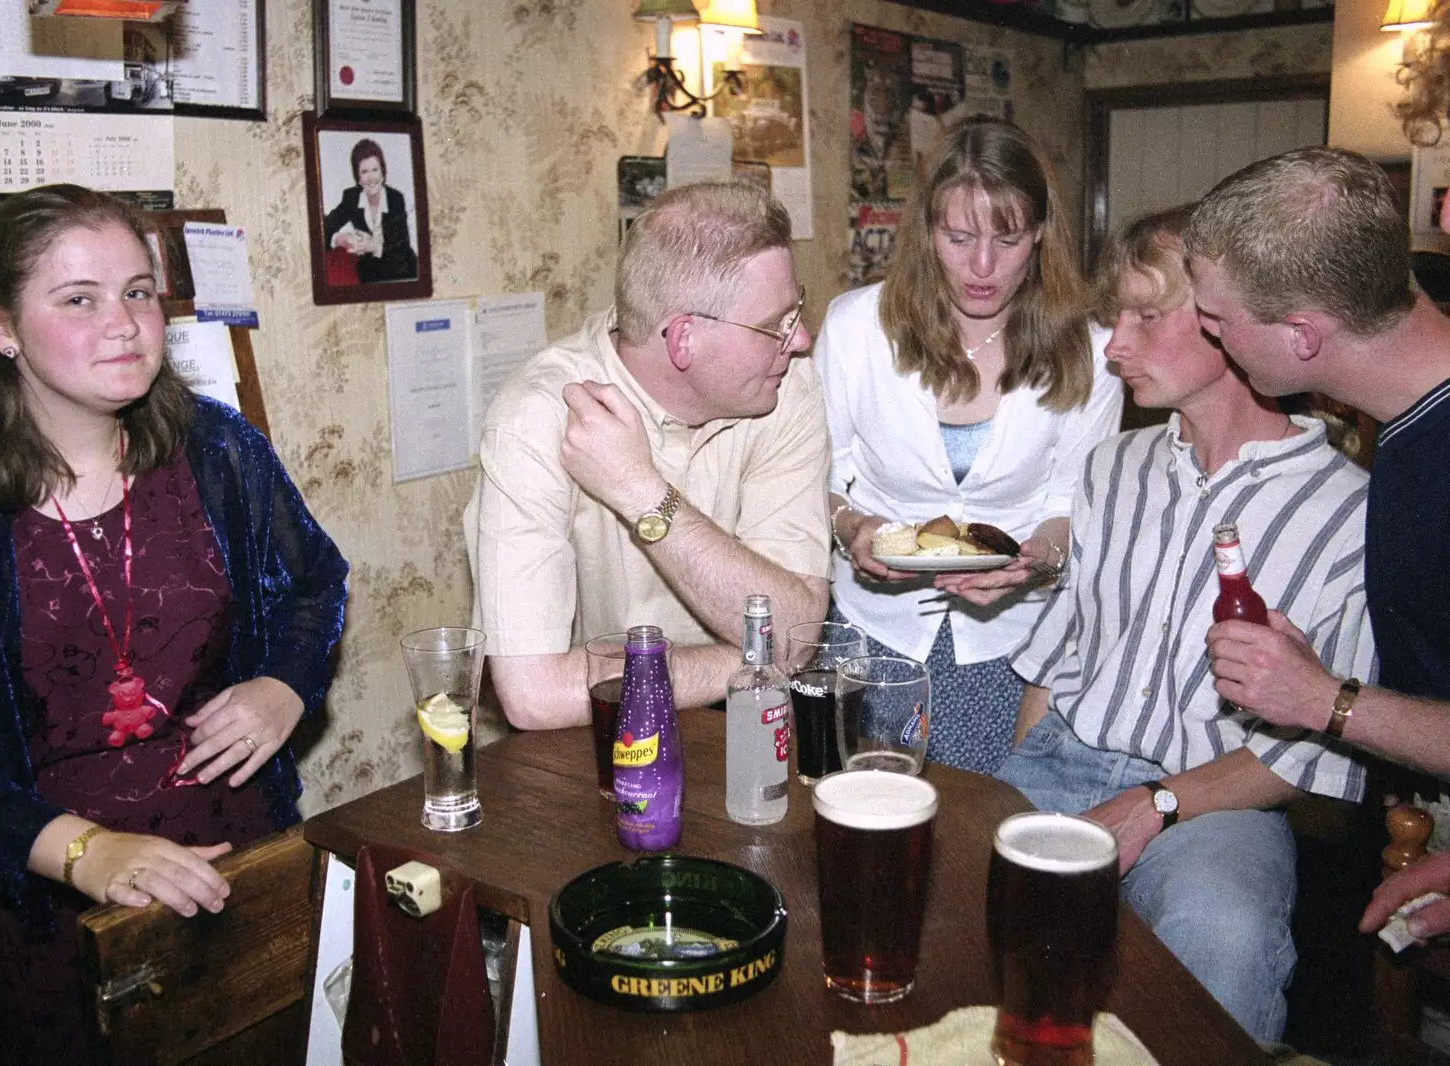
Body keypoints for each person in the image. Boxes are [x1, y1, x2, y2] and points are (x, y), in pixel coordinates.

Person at [0, 185, 349, 1063]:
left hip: (237, 863)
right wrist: (85, 852)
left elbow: (314, 584)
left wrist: (283, 685)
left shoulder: (218, 446)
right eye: (79, 299)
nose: (123, 323)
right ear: (0, 326)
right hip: (50, 909)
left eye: (138, 291)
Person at [1000, 204, 1373, 1042]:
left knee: (1224, 937)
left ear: (1226, 326)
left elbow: (1317, 746)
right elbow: (1058, 658)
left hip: (1222, 799)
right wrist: (1022, 773)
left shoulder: (1348, 512)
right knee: (962, 910)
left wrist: (1158, 802)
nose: (1114, 345)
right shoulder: (1111, 467)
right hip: (1063, 763)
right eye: (1113, 317)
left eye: (1145, 316)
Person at [1183, 147, 1450, 943]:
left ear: (1302, 335)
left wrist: (1324, 701)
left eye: (1217, 320)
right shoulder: (1404, 419)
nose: (1206, 334)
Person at [816, 117, 1123, 774]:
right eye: (958, 238)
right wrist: (851, 527)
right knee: (865, 818)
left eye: (1007, 239)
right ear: (927, 233)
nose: (982, 267)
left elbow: (1075, 498)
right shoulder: (854, 331)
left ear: (1040, 233)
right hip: (871, 630)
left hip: (1012, 642)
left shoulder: (1092, 351)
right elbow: (822, 470)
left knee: (978, 832)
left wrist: (1042, 556)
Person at [464, 181, 830, 728]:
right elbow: (534, 695)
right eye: (775, 323)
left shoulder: (785, 389)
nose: (800, 339)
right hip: (594, 747)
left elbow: (796, 633)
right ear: (683, 338)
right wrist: (752, 659)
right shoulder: (535, 420)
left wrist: (642, 492)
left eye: (795, 310)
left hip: (744, 732)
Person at [323, 138, 418, 283]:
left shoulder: (395, 198)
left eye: (375, 169)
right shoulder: (352, 198)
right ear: (358, 177)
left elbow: (401, 244)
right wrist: (338, 239)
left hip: (400, 268)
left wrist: (372, 246)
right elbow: (324, 226)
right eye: (364, 171)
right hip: (370, 271)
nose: (371, 177)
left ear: (383, 172)